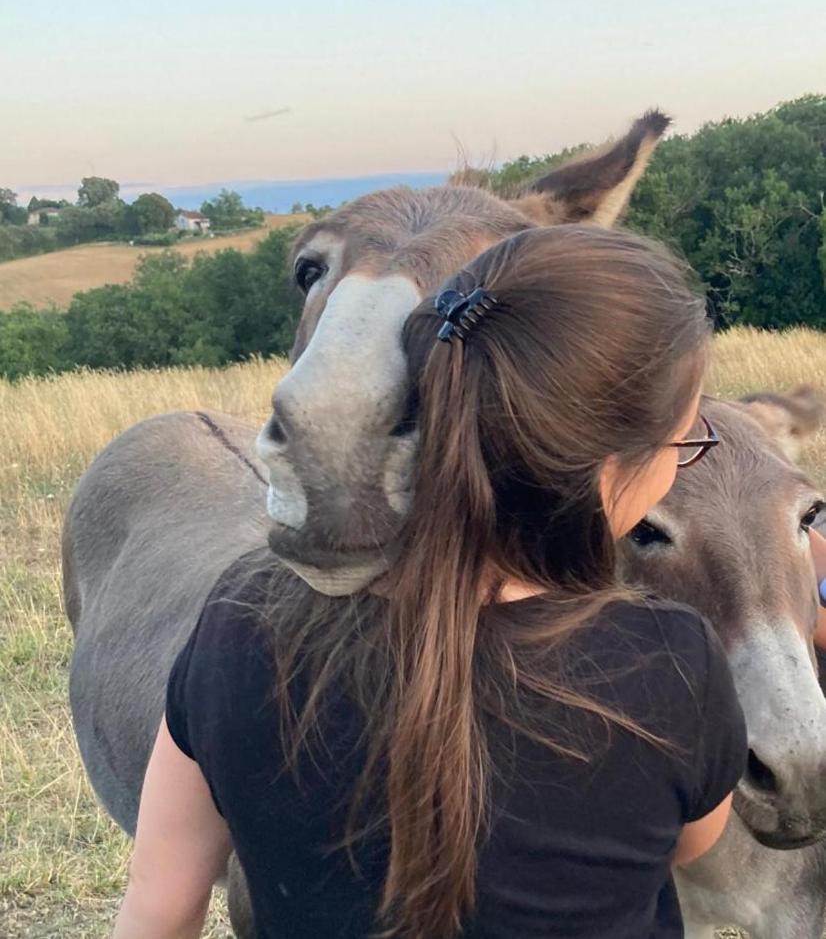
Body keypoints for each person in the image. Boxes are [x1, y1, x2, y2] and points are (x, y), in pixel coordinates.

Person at [112, 225, 748, 939]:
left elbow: (158, 908)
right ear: (605, 469)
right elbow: (695, 839)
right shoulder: (671, 663)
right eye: (685, 440)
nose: (678, 462)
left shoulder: (241, 623)